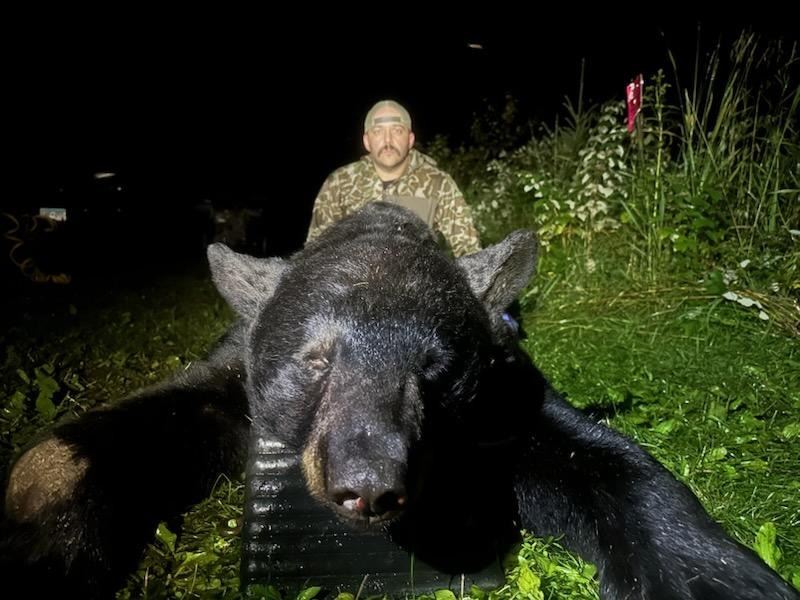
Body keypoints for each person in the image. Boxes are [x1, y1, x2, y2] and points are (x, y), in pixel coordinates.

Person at [306, 99, 481, 257]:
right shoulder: (338, 183)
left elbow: (470, 252)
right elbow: (314, 253)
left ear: (410, 139)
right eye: (378, 131)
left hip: (415, 280)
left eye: (397, 131)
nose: (388, 140)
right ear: (367, 141)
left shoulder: (438, 183)